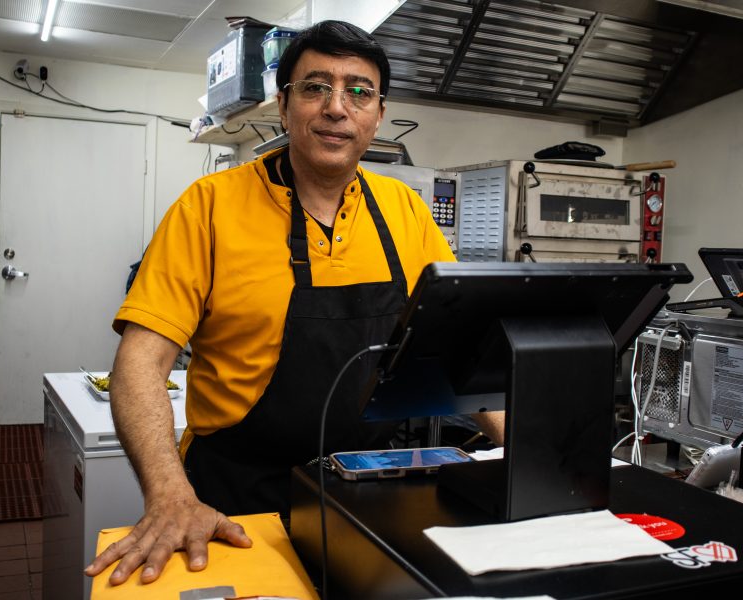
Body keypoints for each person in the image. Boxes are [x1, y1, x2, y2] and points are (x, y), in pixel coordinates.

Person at [85, 20, 504, 586]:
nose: (337, 107)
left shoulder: (403, 210)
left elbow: (459, 352)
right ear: (284, 106)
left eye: (359, 91)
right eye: (315, 87)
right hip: (234, 502)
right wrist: (168, 496)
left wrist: (539, 457)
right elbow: (140, 361)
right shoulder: (209, 208)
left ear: (377, 115)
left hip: (366, 494)